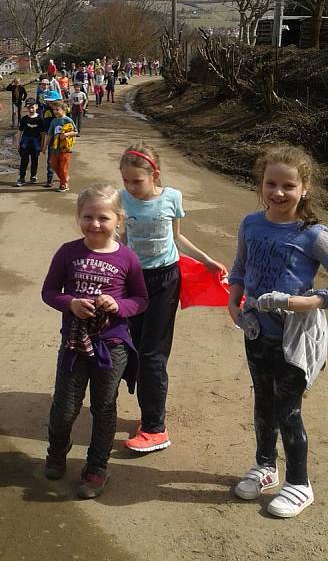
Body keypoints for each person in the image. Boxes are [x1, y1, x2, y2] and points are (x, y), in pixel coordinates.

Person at [227, 144, 328, 518]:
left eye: (288, 185)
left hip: (294, 340)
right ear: (261, 183)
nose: (278, 193)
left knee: (288, 411)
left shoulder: (313, 234)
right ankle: (266, 466)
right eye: (271, 183)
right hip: (256, 333)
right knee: (263, 405)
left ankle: (300, 484)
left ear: (305, 189)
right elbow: (239, 268)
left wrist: (304, 302)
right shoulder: (251, 224)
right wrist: (233, 302)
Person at [42, 183, 148, 498]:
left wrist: (119, 306)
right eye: (88, 217)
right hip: (74, 345)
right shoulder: (68, 252)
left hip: (112, 346)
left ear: (119, 220)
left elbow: (140, 300)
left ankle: (97, 468)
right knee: (64, 406)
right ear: (79, 217)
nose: (95, 224)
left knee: (104, 408)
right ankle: (57, 452)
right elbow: (49, 292)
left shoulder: (128, 258)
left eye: (104, 218)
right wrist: (70, 303)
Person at [119, 143, 227, 453]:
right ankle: (147, 415)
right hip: (132, 281)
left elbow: (177, 236)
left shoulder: (172, 198)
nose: (130, 187)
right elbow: (122, 239)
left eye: (136, 181)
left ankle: (156, 428)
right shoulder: (122, 199)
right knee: (133, 348)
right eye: (126, 180)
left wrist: (206, 259)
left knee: (153, 352)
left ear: (154, 174)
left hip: (165, 280)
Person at [41, 101, 78, 193]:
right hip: (55, 147)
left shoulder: (68, 120)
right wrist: (44, 147)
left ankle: (64, 184)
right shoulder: (54, 121)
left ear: (64, 110)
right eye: (54, 110)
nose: (55, 112)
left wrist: (66, 134)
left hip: (65, 148)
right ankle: (64, 177)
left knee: (63, 167)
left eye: (57, 109)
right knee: (53, 164)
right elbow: (49, 134)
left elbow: (76, 131)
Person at [16, 98, 44, 186]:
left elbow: (43, 133)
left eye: (32, 107)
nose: (31, 110)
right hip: (25, 142)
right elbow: (20, 131)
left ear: (36, 107)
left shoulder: (40, 119)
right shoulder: (24, 119)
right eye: (28, 108)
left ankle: (33, 176)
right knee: (24, 160)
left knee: (34, 160)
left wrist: (43, 144)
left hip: (36, 143)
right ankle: (21, 177)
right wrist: (17, 142)